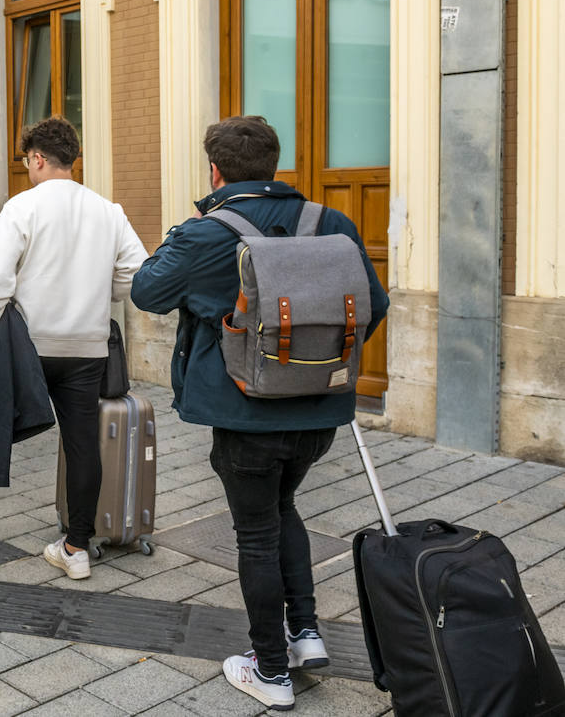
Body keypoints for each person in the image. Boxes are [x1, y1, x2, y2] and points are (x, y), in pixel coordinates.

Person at [131, 115, 389, 711]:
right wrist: (313, 366)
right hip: (319, 415)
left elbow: (146, 292)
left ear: (215, 171)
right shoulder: (332, 223)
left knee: (255, 534)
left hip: (245, 416)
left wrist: (183, 234)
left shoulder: (205, 234)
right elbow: (372, 307)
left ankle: (270, 671)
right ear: (275, 165)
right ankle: (305, 635)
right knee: (283, 509)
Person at [0, 117, 147, 580]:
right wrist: (105, 292)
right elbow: (136, 273)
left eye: (26, 161)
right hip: (87, 346)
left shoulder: (22, 207)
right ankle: (76, 547)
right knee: (83, 445)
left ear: (36, 158)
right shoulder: (108, 211)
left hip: (28, 345)